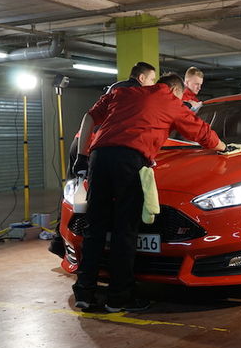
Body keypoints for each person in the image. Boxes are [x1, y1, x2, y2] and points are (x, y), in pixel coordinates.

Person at [71, 73, 226, 312]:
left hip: (99, 159)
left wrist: (82, 156)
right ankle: (118, 299)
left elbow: (88, 117)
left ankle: (84, 293)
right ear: (175, 90)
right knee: (125, 229)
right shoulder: (170, 100)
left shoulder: (121, 92)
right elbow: (202, 133)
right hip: (129, 161)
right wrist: (224, 147)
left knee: (95, 227)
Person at [48, 62, 157, 257]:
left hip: (81, 142)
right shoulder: (134, 94)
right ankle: (94, 242)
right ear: (141, 78)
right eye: (151, 80)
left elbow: (91, 117)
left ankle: (60, 241)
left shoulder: (116, 88)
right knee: (97, 200)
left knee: (74, 193)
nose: (152, 84)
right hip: (94, 146)